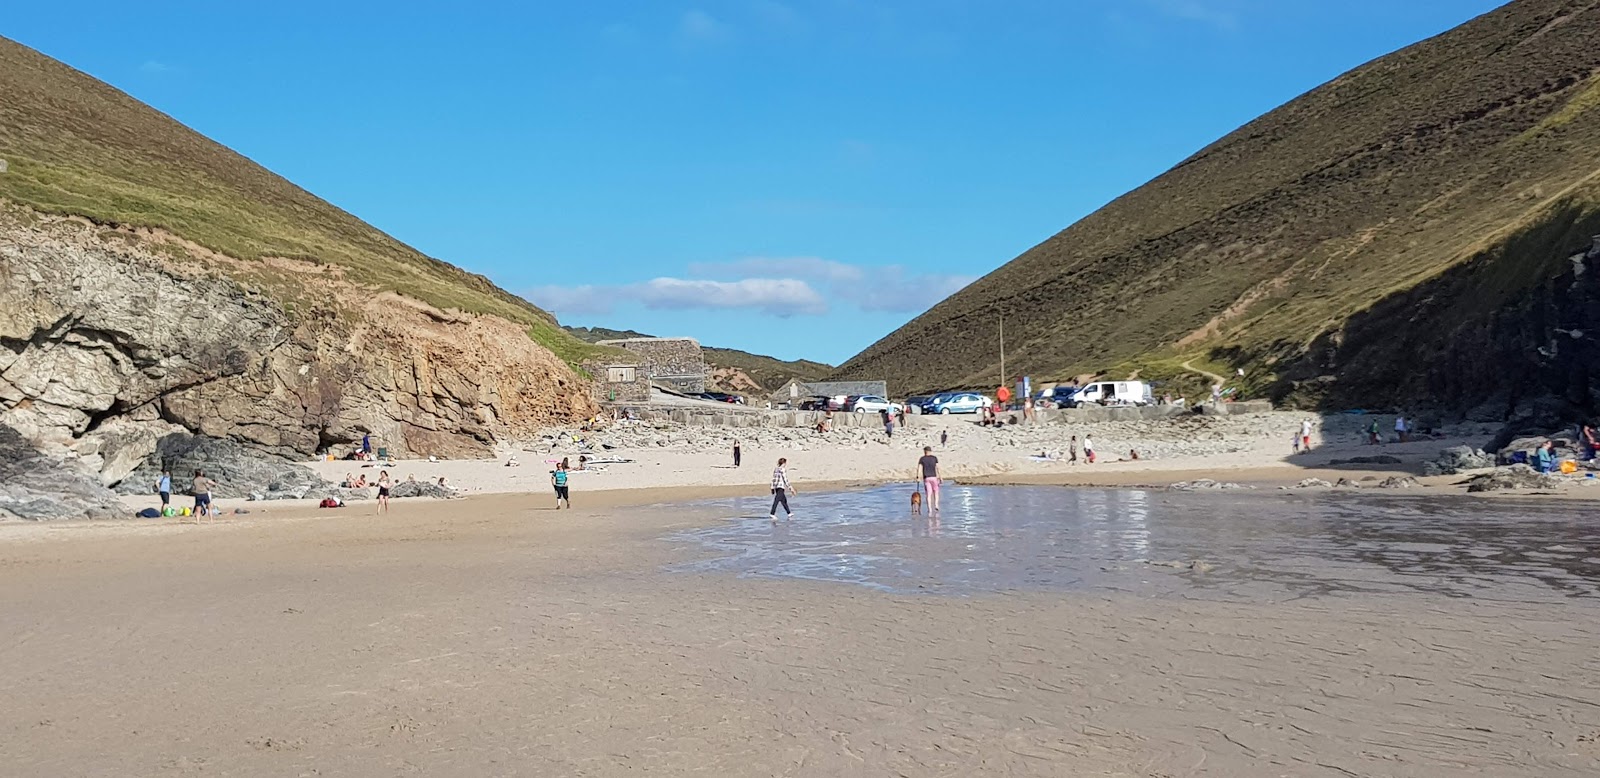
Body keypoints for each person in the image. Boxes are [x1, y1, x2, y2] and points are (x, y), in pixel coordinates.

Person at [916, 446, 941, 514]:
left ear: (925, 451)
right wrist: (940, 477)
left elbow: (919, 468)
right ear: (930, 451)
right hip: (934, 477)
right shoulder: (934, 458)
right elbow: (938, 468)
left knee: (928, 494)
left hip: (927, 478)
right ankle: (936, 505)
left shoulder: (922, 459)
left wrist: (918, 477)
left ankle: (929, 509)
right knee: (936, 492)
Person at [769, 458, 794, 522]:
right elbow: (785, 479)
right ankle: (772, 513)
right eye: (785, 463)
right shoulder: (783, 470)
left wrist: (772, 487)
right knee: (776, 500)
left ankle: (789, 513)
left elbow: (773, 479)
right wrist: (790, 488)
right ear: (783, 463)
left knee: (783, 501)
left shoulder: (776, 469)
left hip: (776, 487)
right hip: (780, 487)